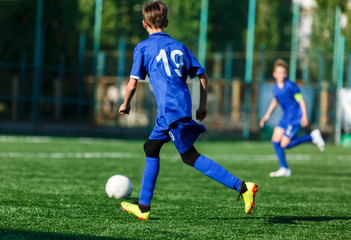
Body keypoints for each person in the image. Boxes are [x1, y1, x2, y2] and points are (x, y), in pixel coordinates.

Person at [118, 0, 258, 220]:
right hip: (176, 110)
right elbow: (202, 75)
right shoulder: (179, 46)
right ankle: (143, 207)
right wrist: (202, 105)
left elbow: (133, 83)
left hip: (170, 111)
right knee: (151, 147)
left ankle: (242, 187)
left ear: (144, 24)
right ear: (167, 22)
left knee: (190, 156)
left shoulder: (143, 47)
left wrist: (125, 104)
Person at [259, 59, 325, 177]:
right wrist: (266, 116)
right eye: (279, 72)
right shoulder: (275, 87)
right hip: (285, 117)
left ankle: (312, 136)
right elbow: (275, 101)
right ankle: (284, 168)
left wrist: (304, 115)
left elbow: (301, 100)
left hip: (294, 117)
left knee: (285, 144)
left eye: (284, 72)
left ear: (286, 74)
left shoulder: (291, 85)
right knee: (275, 140)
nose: (282, 75)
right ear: (274, 74)